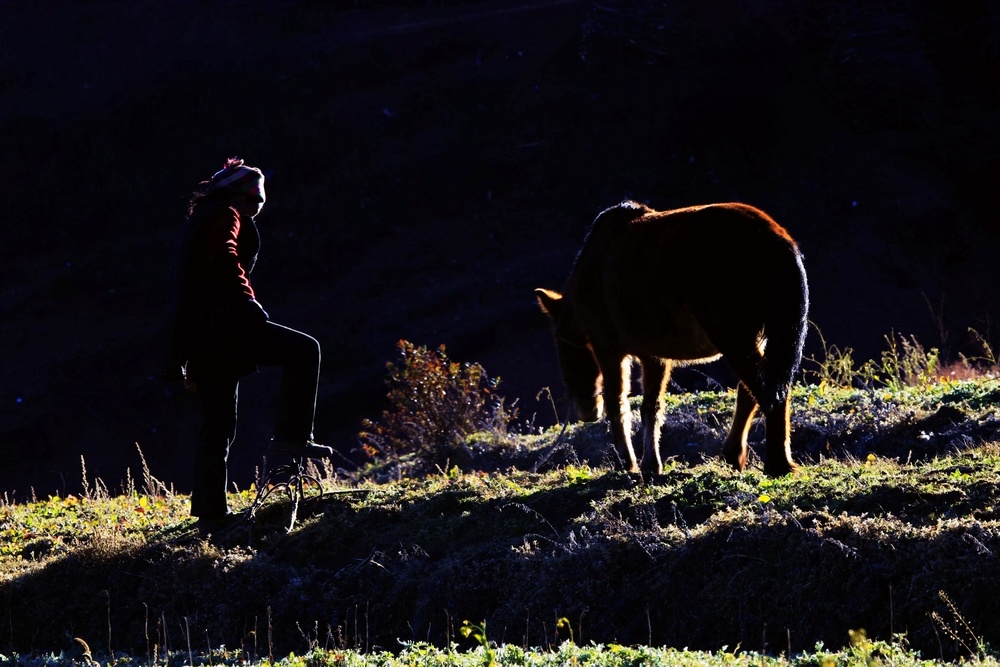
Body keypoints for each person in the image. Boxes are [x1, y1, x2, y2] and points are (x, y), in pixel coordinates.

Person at [165, 157, 331, 533]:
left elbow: (188, 287)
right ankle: (292, 439)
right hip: (227, 327)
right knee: (305, 350)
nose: (256, 210)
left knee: (216, 425)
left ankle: (210, 516)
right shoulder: (226, 214)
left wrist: (186, 354)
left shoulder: (198, 220)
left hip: (201, 336)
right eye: (254, 202)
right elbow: (225, 258)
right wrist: (247, 304)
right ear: (241, 196)